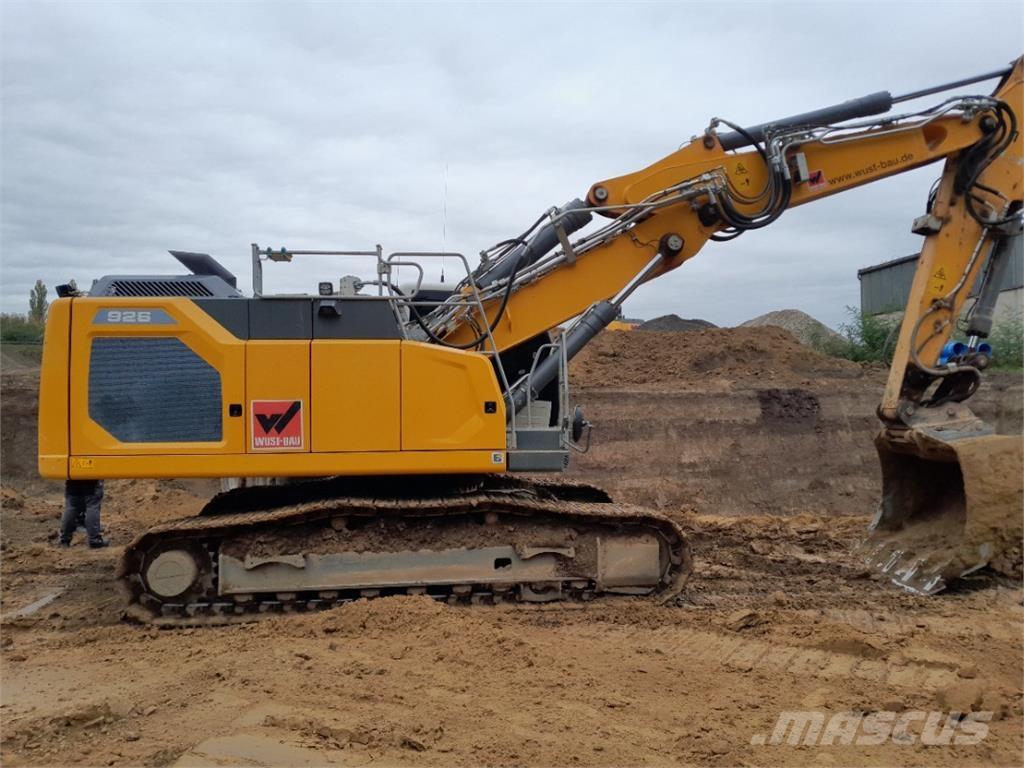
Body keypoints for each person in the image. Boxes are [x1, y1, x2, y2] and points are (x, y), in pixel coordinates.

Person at [59, 479, 108, 548]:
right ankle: (94, 540)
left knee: (72, 506)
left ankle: (64, 540)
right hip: (91, 476)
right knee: (92, 505)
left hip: (73, 474)